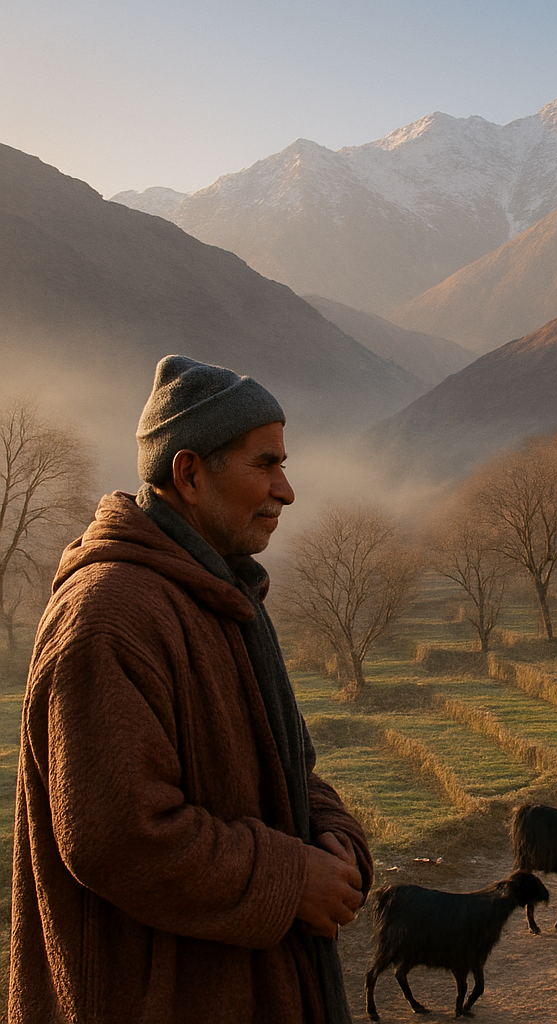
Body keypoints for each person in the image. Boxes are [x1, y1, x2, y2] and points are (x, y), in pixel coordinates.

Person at [9, 355, 373, 1023]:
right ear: (189, 472)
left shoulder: (225, 600)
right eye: (266, 464)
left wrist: (338, 844)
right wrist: (291, 880)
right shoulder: (108, 617)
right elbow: (115, 836)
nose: (286, 490)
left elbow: (289, 770)